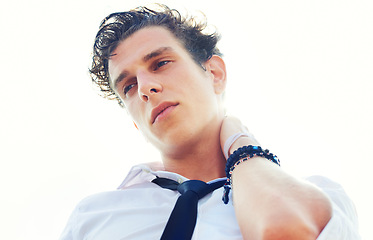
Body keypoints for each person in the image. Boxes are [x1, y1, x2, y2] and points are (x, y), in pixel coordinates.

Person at [60, 4, 360, 240]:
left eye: (160, 63)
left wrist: (242, 147)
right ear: (133, 119)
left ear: (214, 73)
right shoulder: (93, 217)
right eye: (128, 86)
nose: (145, 88)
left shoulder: (318, 196)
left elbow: (289, 231)